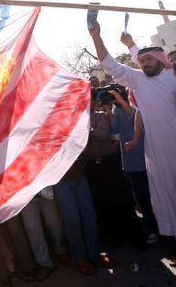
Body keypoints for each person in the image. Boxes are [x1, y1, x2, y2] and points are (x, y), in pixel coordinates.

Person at [88, 20, 176, 242]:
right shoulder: (137, 80)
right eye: (141, 60)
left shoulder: (175, 74)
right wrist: (96, 36)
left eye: (148, 60)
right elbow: (110, 65)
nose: (143, 63)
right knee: (167, 196)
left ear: (159, 59)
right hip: (158, 154)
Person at [105, 87, 158, 244]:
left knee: (152, 195)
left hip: (145, 156)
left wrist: (120, 100)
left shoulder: (135, 104)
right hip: (130, 161)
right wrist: (108, 110)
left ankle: (159, 228)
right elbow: (112, 130)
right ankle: (151, 228)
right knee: (141, 198)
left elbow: (133, 115)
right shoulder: (115, 109)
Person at [80, 89, 133, 244]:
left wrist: (83, 132)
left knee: (119, 198)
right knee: (100, 202)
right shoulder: (76, 122)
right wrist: (89, 132)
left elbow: (103, 134)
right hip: (91, 167)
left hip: (108, 163)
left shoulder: (100, 116)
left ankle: (129, 233)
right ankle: (110, 234)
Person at [53, 161, 115, 275]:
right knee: (72, 220)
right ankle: (79, 258)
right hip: (59, 178)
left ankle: (94, 255)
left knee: (90, 216)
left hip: (78, 173)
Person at [21, 189, 67, 281]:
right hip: (25, 193)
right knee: (32, 228)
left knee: (54, 224)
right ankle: (45, 263)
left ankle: (60, 249)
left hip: (46, 187)